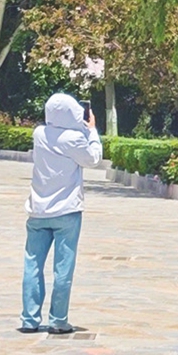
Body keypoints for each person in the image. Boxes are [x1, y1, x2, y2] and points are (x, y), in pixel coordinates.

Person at [22, 89, 104, 334]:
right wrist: (92, 131)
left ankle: (29, 319)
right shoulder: (74, 139)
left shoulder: (39, 134)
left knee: (32, 265)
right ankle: (58, 319)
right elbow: (93, 159)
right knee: (63, 268)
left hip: (38, 210)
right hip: (67, 211)